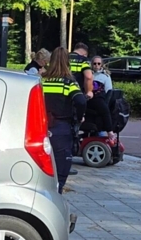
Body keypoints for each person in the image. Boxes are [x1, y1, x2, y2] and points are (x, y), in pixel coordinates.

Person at [43, 47, 87, 194]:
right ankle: (56, 194)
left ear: (51, 61)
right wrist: (80, 116)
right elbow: (81, 101)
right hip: (61, 128)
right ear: (67, 62)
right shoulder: (68, 83)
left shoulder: (41, 80)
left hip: (41, 128)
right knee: (61, 167)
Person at [86, 55, 114, 136]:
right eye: (94, 64)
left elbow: (109, 90)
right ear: (92, 64)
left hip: (99, 98)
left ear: (101, 64)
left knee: (103, 108)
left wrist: (106, 102)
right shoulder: (88, 74)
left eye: (98, 64)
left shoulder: (105, 76)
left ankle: (108, 130)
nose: (96, 66)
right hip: (89, 97)